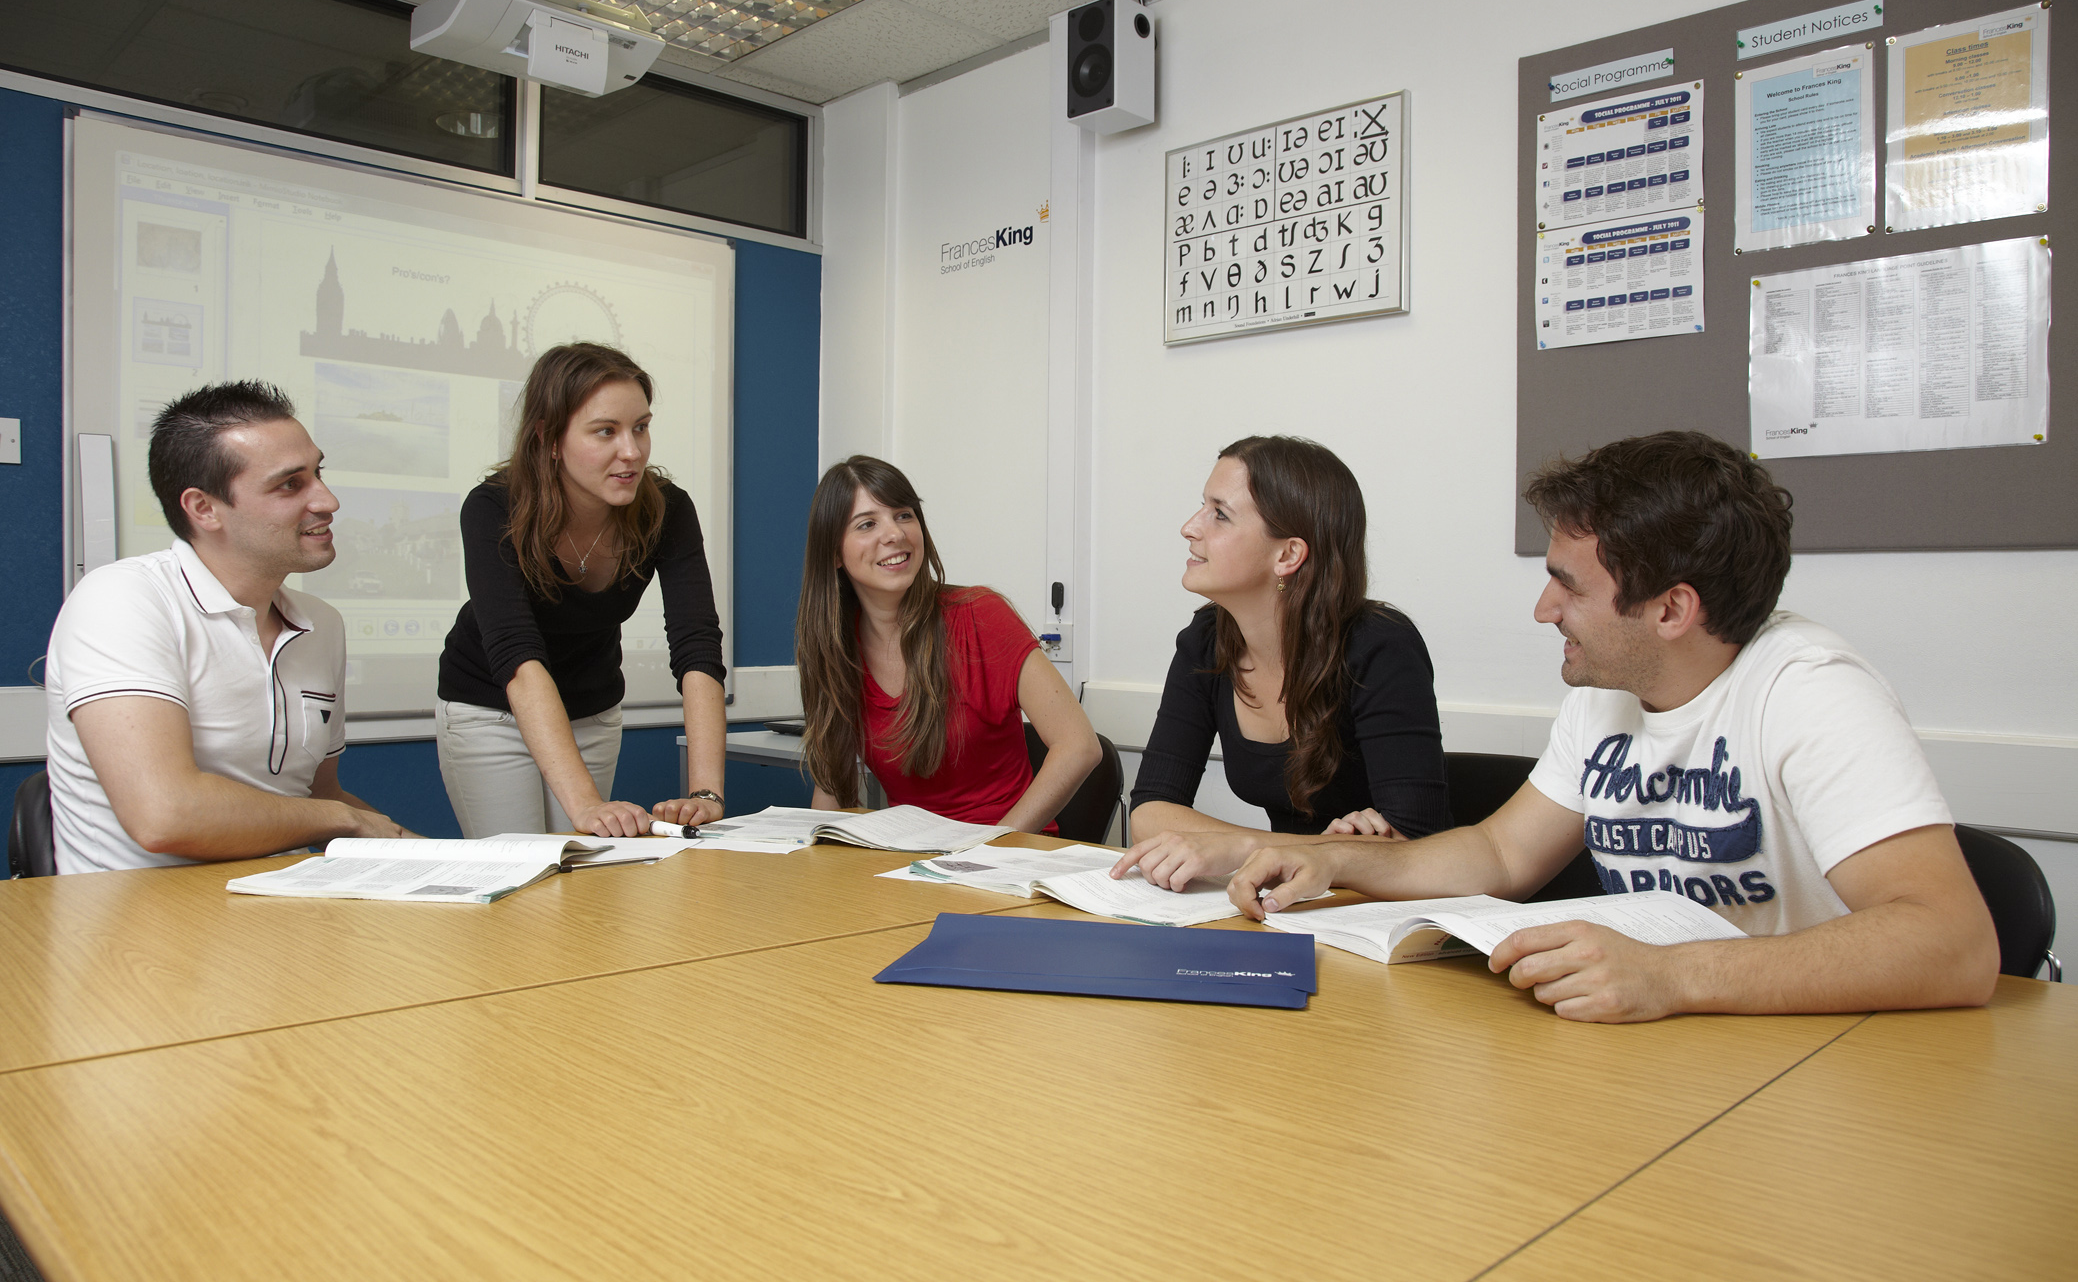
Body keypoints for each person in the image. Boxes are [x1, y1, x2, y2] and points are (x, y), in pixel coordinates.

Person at [1223, 430, 1999, 1022]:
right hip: (1674, 1051)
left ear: (1671, 609)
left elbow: (1954, 942)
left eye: (1569, 586)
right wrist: (1331, 859)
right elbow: (1500, 853)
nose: (1543, 609)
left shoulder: (1810, 691)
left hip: (1815, 1064)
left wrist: (1673, 974)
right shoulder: (1610, 691)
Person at [43, 382, 408, 874]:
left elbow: (318, 797)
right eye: (289, 484)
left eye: (318, 473)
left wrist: (455, 861)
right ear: (204, 509)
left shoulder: (321, 623)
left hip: (284, 909)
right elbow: (165, 815)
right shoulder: (122, 600)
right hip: (138, 929)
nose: (328, 501)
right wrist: (346, 821)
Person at [1116, 435, 1450, 890]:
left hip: (1379, 913)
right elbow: (1151, 812)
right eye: (1202, 507)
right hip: (1286, 901)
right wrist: (1294, 851)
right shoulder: (1206, 641)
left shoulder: (1379, 647)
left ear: (1288, 554)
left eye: (1220, 514)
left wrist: (1242, 849)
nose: (1190, 528)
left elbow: (1421, 848)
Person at [436, 343, 726, 837]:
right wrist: (588, 804)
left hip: (592, 711)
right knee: (522, 875)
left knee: (582, 874)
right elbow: (516, 657)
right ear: (550, 439)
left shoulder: (666, 509)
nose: (631, 451)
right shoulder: (494, 508)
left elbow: (697, 644)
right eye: (605, 431)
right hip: (491, 709)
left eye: (640, 427)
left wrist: (705, 792)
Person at [795, 456, 1101, 831]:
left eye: (904, 515)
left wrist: (988, 849)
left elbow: (1079, 747)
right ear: (833, 552)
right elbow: (833, 787)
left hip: (1006, 853)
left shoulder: (980, 616)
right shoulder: (835, 649)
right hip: (911, 861)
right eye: (868, 523)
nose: (895, 533)